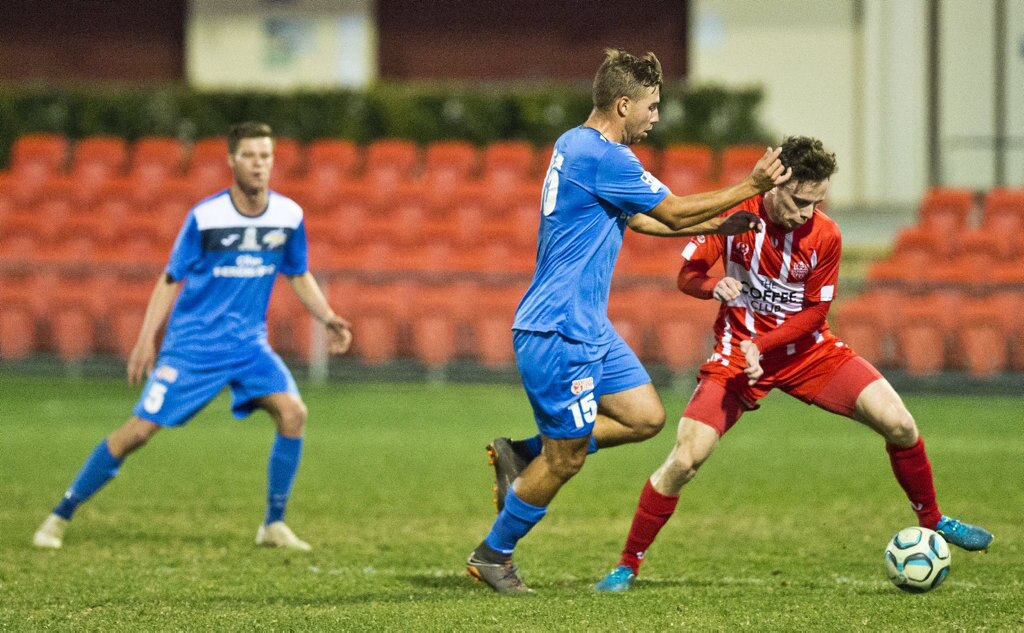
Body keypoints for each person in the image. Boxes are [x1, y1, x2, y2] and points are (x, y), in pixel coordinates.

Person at [592, 135, 994, 592]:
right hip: (736, 356)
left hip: (808, 352)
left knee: (900, 423)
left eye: (816, 202)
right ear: (776, 184)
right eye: (801, 201)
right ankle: (627, 565)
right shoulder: (736, 218)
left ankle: (934, 519)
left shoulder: (826, 234)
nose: (807, 212)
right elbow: (687, 276)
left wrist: (762, 345)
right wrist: (713, 288)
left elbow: (814, 314)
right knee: (685, 459)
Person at [465, 48, 793, 594]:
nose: (656, 117)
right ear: (623, 104)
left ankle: (520, 452)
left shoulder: (575, 142)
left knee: (644, 416)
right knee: (565, 459)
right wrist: (752, 185)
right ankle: (493, 554)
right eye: (652, 106)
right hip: (558, 328)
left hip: (589, 324)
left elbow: (640, 219)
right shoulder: (610, 159)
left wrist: (720, 222)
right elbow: (670, 210)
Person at [32, 122, 353, 551]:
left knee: (293, 413)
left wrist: (328, 316)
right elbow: (170, 278)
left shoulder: (288, 216)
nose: (260, 165)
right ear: (232, 161)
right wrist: (147, 339)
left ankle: (273, 525)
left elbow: (297, 273)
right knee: (137, 434)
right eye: (250, 156)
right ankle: (60, 514)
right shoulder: (206, 217)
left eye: (266, 156)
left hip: (249, 347)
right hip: (194, 349)